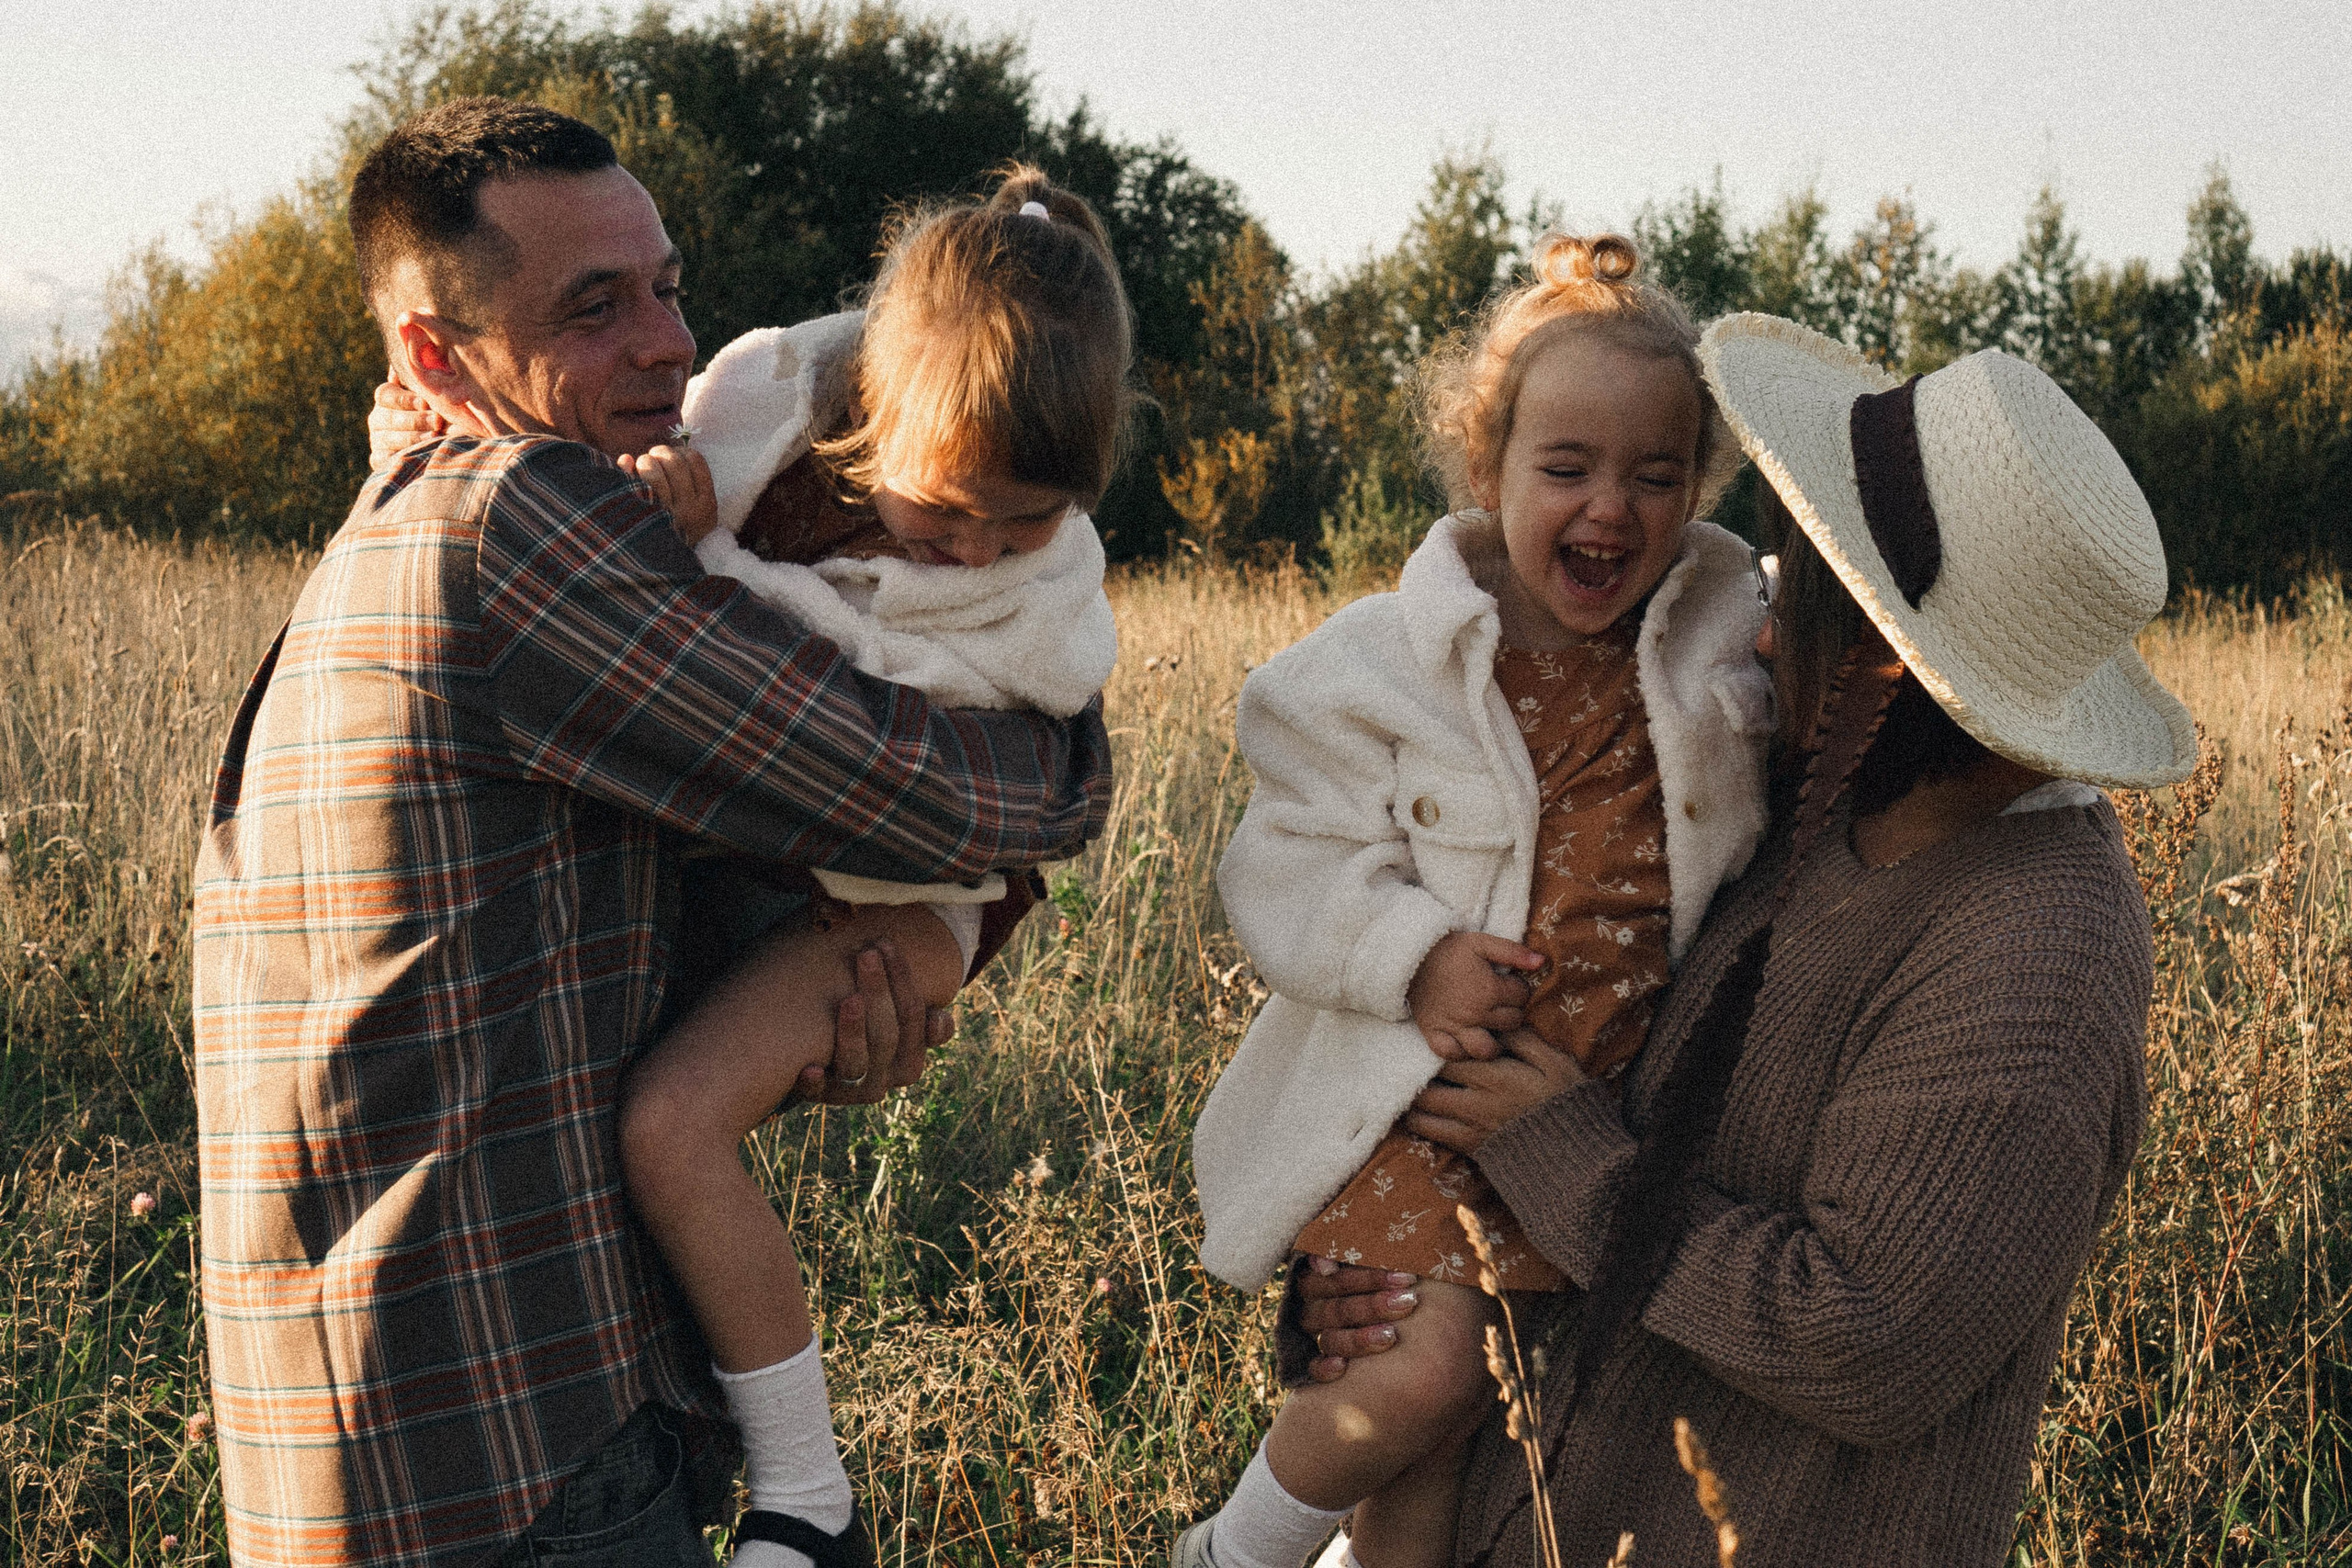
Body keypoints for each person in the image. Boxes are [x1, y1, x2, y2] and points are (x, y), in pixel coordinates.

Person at [192, 97, 1110, 1568]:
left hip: (353, 1439)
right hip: (508, 1442)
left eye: (669, 287)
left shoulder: (393, 516)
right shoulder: (519, 524)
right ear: (437, 356)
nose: (670, 345)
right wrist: (1072, 755)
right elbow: (941, 794)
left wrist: (801, 1017)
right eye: (594, 306)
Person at [1293, 313, 2195, 1568]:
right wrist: (1386, 1270)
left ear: (1902, 663)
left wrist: (1562, 1163)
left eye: (1811, 608)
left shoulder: (2037, 945)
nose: (1767, 638)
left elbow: (1874, 1343)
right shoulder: (1815, 792)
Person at [1181, 234, 1774, 1568]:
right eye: (1565, 469)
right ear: (1485, 466)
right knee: (1423, 1379)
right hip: (1425, 1096)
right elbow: (1279, 858)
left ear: (1700, 492)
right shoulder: (1393, 661)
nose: (1609, 509)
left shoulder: (1716, 654)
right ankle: (1230, 1554)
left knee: (1451, 1464)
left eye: (1655, 475)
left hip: (1587, 1114)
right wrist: (1413, 954)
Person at [610, 165, 1127, 1568]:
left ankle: (809, 1497)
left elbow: (892, 719)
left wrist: (697, 567)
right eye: (950, 509)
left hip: (918, 899)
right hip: (768, 854)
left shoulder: (1041, 598)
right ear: (870, 409)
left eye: (1022, 523)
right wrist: (688, 508)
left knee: (671, 1121)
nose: (976, 549)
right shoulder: (767, 415)